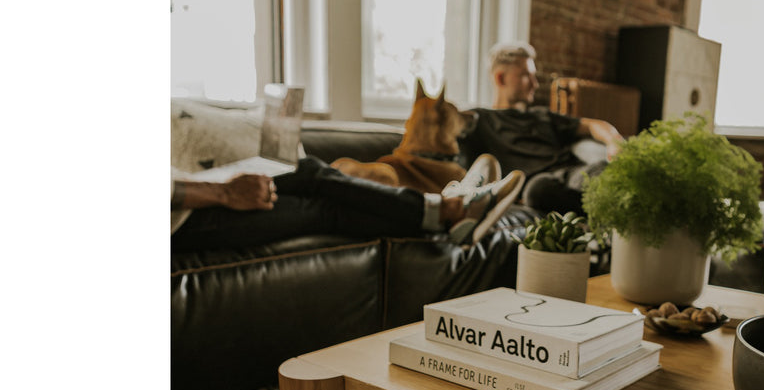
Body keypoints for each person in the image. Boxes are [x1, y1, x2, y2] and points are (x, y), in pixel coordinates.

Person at [172, 154, 524, 252]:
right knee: (323, 209)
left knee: (309, 171)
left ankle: (446, 211)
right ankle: (449, 210)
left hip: (189, 194)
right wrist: (223, 193)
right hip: (184, 220)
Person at [457, 42, 625, 215]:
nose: (535, 84)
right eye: (526, 76)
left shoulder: (542, 115)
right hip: (541, 188)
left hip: (574, 175)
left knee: (603, 172)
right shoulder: (480, 121)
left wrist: (615, 142)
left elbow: (594, 125)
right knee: (538, 190)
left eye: (533, 76)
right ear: (500, 78)